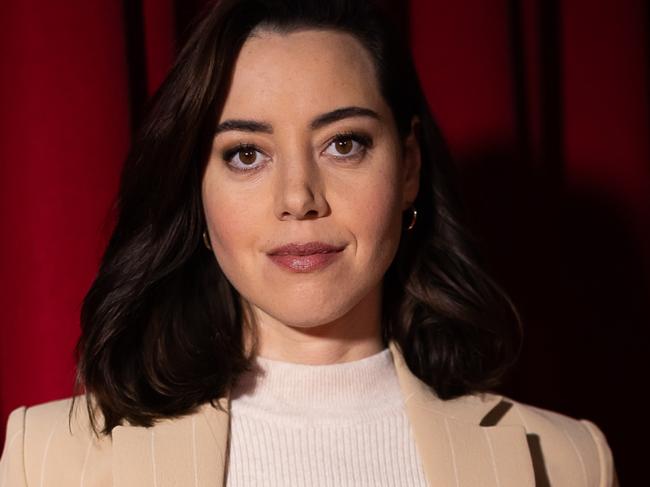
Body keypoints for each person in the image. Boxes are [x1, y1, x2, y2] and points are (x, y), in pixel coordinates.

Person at [0, 0, 617, 485]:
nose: (299, 197)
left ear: (407, 167)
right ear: (197, 191)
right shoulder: (52, 460)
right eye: (246, 154)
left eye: (343, 143)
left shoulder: (566, 465)